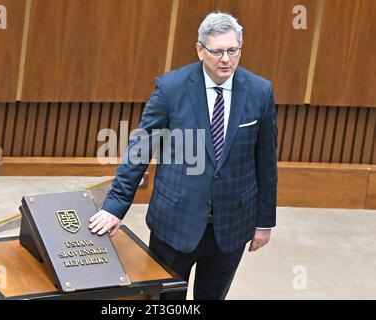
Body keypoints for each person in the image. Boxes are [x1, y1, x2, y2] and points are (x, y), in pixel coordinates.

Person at [89, 11, 277, 300]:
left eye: (233, 50)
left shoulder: (260, 91)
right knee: (167, 301)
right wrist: (115, 205)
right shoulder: (170, 88)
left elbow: (266, 162)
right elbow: (140, 150)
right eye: (217, 51)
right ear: (200, 50)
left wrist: (264, 222)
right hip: (175, 222)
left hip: (232, 225)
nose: (226, 59)